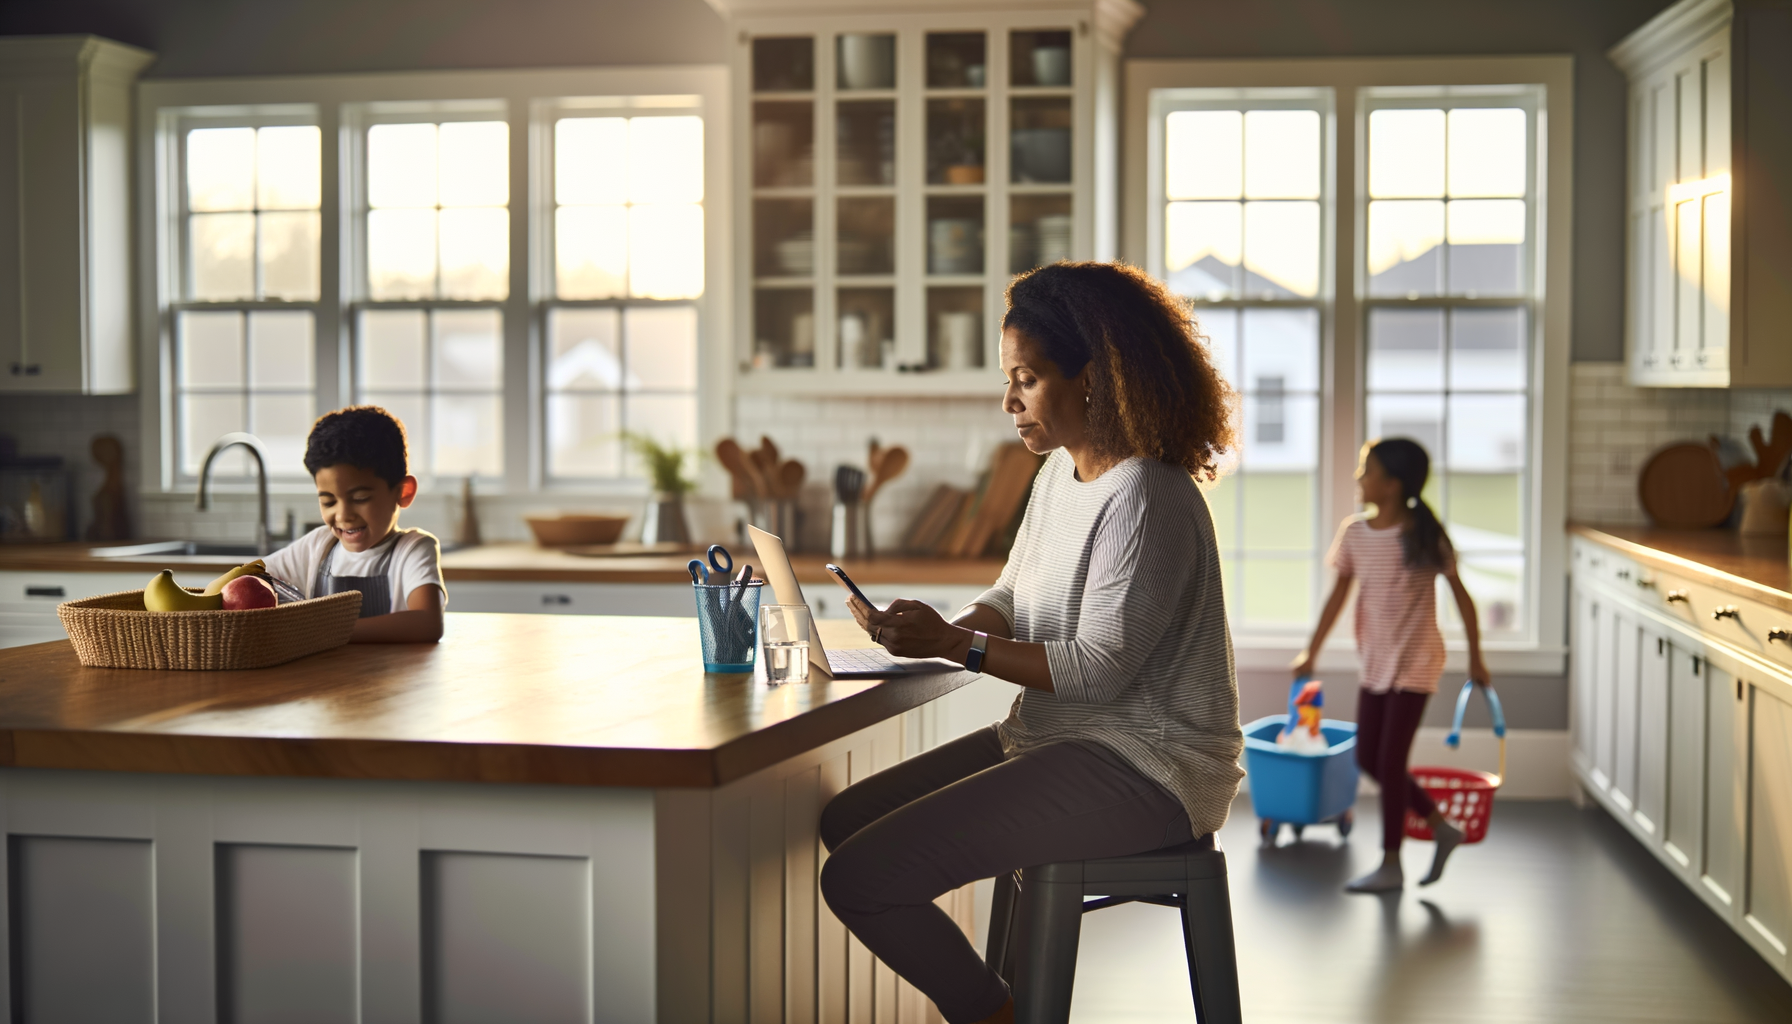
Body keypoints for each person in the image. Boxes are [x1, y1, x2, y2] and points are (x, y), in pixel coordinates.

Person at [820, 262, 1242, 1024]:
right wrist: (940, 628)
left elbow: (1097, 672)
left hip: (1152, 766)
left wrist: (953, 644)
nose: (1009, 400)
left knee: (860, 878)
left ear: (1096, 378)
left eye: (1027, 377)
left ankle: (996, 1014)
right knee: (844, 826)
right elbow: (1012, 599)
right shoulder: (1056, 476)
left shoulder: (1148, 495)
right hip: (1058, 741)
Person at [1293, 437, 1489, 893]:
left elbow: (1463, 598)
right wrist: (1311, 650)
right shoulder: (1355, 534)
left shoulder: (1423, 536)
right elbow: (1338, 596)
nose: (1359, 478)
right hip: (1377, 660)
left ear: (1394, 484)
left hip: (1417, 660)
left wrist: (1477, 657)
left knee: (1390, 758)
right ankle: (1442, 827)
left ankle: (1391, 863)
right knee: (1369, 758)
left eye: (1368, 470)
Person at [263, 406, 447, 643]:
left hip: (393, 679)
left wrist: (324, 631)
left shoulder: (412, 549)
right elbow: (248, 578)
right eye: (329, 501)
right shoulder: (318, 546)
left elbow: (427, 623)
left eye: (360, 499)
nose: (343, 515)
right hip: (321, 680)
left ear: (403, 492)